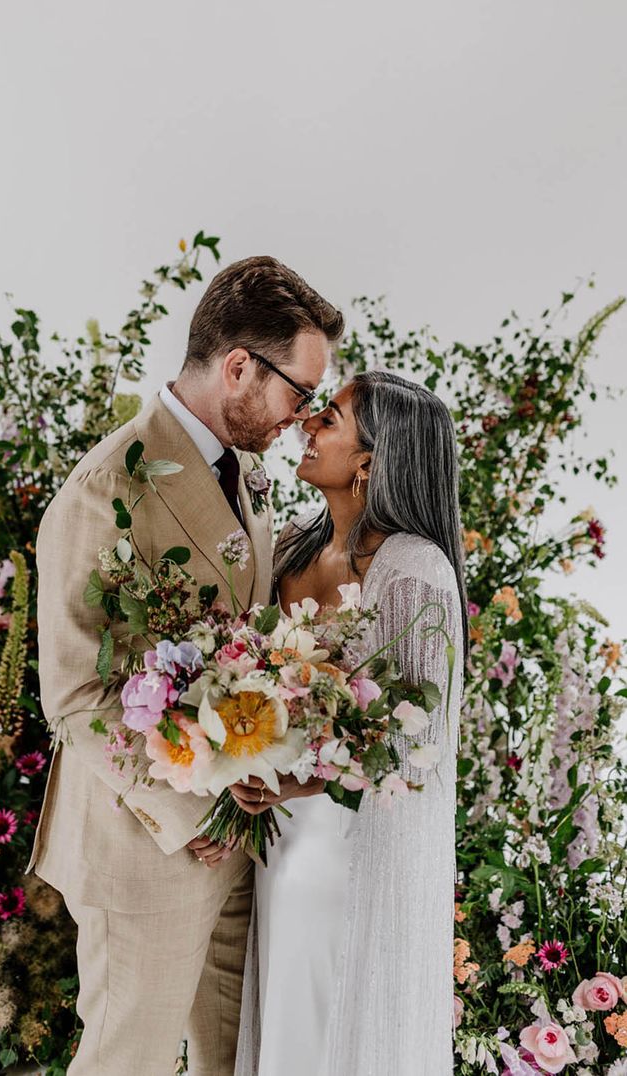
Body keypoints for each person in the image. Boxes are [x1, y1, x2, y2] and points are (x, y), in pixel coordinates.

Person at [26, 255, 343, 1075]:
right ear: (239, 366)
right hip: (147, 844)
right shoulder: (104, 490)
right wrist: (194, 803)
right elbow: (74, 692)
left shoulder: (251, 475)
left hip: (242, 836)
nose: (302, 418)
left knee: (233, 1060)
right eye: (298, 394)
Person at [231, 370, 468, 1076]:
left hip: (348, 848)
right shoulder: (296, 545)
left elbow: (411, 745)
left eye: (328, 418)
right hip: (276, 842)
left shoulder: (414, 573)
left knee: (327, 1025)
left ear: (370, 461)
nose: (307, 423)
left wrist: (294, 785)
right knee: (285, 1023)